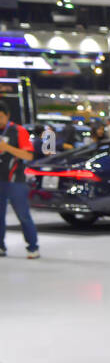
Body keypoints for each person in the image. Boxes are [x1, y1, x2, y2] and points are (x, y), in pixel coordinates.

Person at [0, 101, 39, 259]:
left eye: (0, 117)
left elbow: (28, 155)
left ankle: (32, 247)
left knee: (23, 215)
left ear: (7, 116)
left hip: (16, 180)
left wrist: (6, 147)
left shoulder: (18, 131)